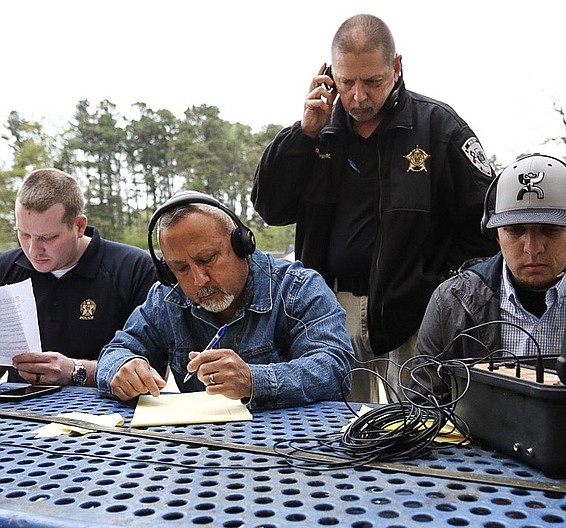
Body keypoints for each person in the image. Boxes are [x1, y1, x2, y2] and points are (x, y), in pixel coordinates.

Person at [251, 14, 498, 403]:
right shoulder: (316, 132)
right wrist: (303, 135)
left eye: (372, 81)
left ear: (396, 67)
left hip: (415, 314)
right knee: (333, 434)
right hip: (331, 312)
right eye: (347, 82)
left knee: (419, 429)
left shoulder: (439, 128)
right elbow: (271, 208)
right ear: (329, 75)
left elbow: (485, 228)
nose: (358, 96)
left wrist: (438, 284)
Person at [95, 191, 355, 409]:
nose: (199, 280)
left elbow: (335, 367)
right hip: (199, 449)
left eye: (207, 259)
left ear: (243, 244)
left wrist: (255, 380)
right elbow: (115, 352)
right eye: (181, 269)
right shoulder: (165, 298)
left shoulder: (298, 287)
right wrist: (124, 367)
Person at [412, 154, 566, 402]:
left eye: (550, 229)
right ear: (494, 233)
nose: (532, 248)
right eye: (514, 230)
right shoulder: (451, 302)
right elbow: (423, 405)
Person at [0, 168, 156, 387]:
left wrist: (76, 371)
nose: (34, 250)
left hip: (109, 413)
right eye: (24, 234)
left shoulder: (135, 269)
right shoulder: (4, 270)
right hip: (20, 414)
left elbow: (152, 373)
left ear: (79, 226)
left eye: (48, 237)